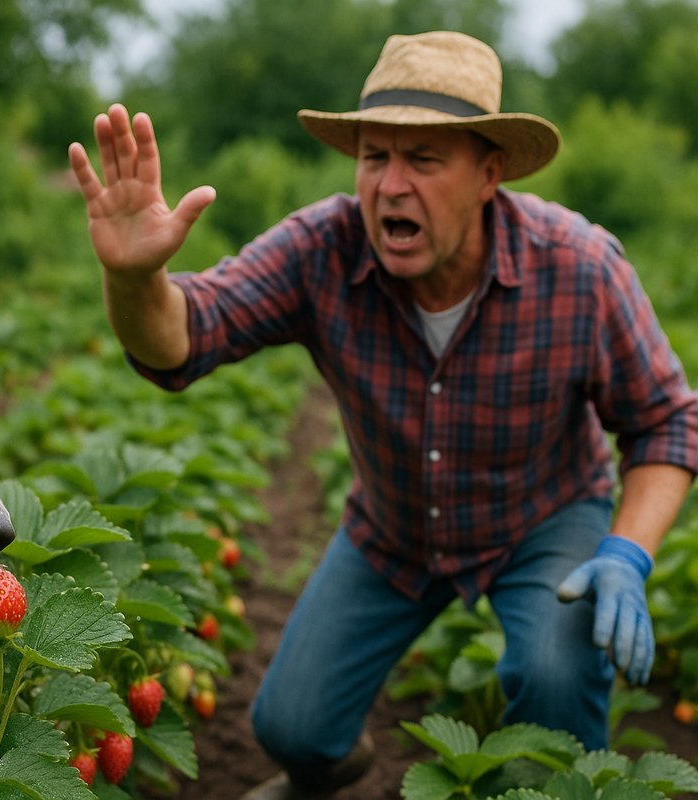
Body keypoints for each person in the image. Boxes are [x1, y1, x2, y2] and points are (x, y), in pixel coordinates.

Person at [67, 30, 698, 800]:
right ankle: (330, 770)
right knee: (291, 730)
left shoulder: (579, 267)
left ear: (488, 173)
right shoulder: (321, 249)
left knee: (558, 674)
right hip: (395, 528)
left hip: (547, 518)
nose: (391, 185)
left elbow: (666, 419)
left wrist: (628, 553)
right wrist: (137, 279)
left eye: (424, 160)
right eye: (375, 157)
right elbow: (184, 338)